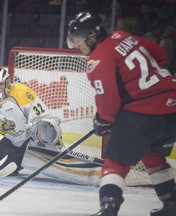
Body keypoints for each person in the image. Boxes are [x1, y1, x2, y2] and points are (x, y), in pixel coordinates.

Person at [67, 9, 176, 216]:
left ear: (93, 35)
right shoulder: (123, 36)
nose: (77, 45)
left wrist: (103, 120)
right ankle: (172, 204)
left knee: (115, 162)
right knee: (152, 156)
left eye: (79, 39)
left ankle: (109, 207)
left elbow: (108, 96)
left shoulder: (97, 58)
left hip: (143, 114)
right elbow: (160, 55)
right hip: (172, 108)